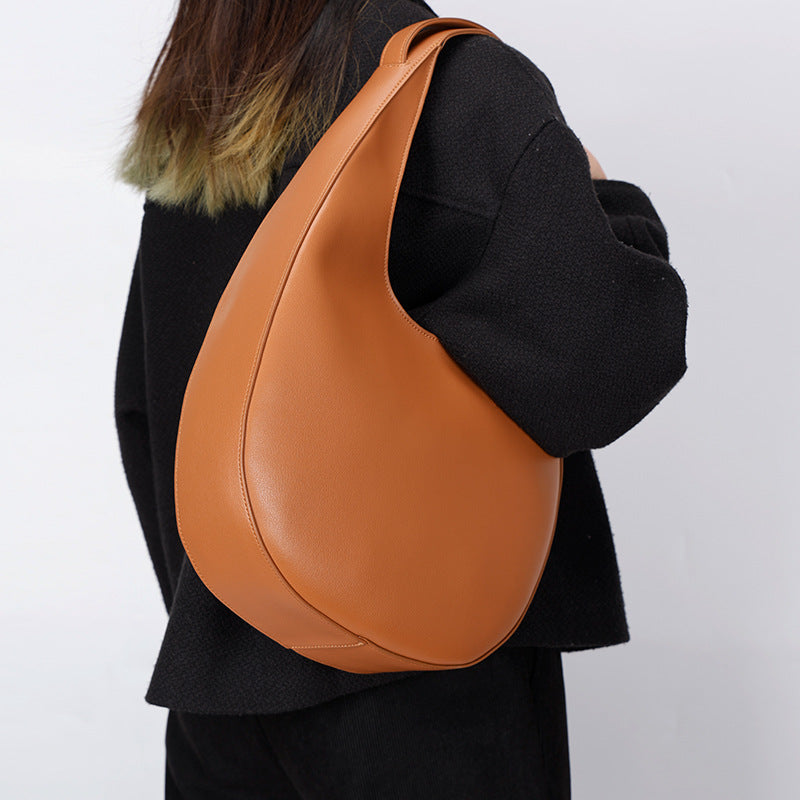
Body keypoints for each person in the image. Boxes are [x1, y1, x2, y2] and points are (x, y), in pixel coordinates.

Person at [112, 0, 688, 796]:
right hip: (425, 690)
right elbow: (605, 360)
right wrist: (609, 201)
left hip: (221, 690)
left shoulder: (212, 80)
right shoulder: (455, 85)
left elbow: (144, 403)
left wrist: (237, 594)